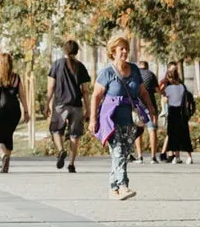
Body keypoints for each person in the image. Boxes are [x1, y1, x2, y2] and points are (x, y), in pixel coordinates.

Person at [91, 35, 155, 201]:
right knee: (118, 151)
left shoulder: (134, 70)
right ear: (113, 52)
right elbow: (96, 96)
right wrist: (92, 119)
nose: (125, 51)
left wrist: (151, 107)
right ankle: (124, 185)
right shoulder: (107, 72)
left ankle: (113, 189)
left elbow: (142, 91)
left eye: (126, 48)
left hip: (130, 119)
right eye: (121, 49)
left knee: (123, 153)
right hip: (110, 119)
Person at [46, 40, 90, 174]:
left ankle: (61, 150)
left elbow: (51, 87)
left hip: (60, 105)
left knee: (56, 130)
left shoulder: (57, 65)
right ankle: (71, 164)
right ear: (76, 51)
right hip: (76, 105)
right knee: (74, 135)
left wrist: (47, 103)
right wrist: (88, 109)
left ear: (64, 50)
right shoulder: (81, 66)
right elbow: (85, 91)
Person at [0, 51, 29, 174]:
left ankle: (3, 156)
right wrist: (26, 111)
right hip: (14, 111)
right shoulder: (16, 78)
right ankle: (6, 163)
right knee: (8, 136)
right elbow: (22, 95)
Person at [159, 64, 194, 163]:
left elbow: (163, 95)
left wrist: (164, 84)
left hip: (172, 111)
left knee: (173, 134)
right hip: (181, 111)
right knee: (184, 134)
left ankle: (177, 156)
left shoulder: (168, 89)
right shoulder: (182, 87)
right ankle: (189, 156)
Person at [134, 61, 160, 163]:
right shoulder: (151, 74)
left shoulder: (135, 75)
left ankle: (140, 156)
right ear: (147, 66)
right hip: (151, 105)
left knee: (139, 131)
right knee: (152, 130)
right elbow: (158, 90)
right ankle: (153, 157)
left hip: (139, 106)